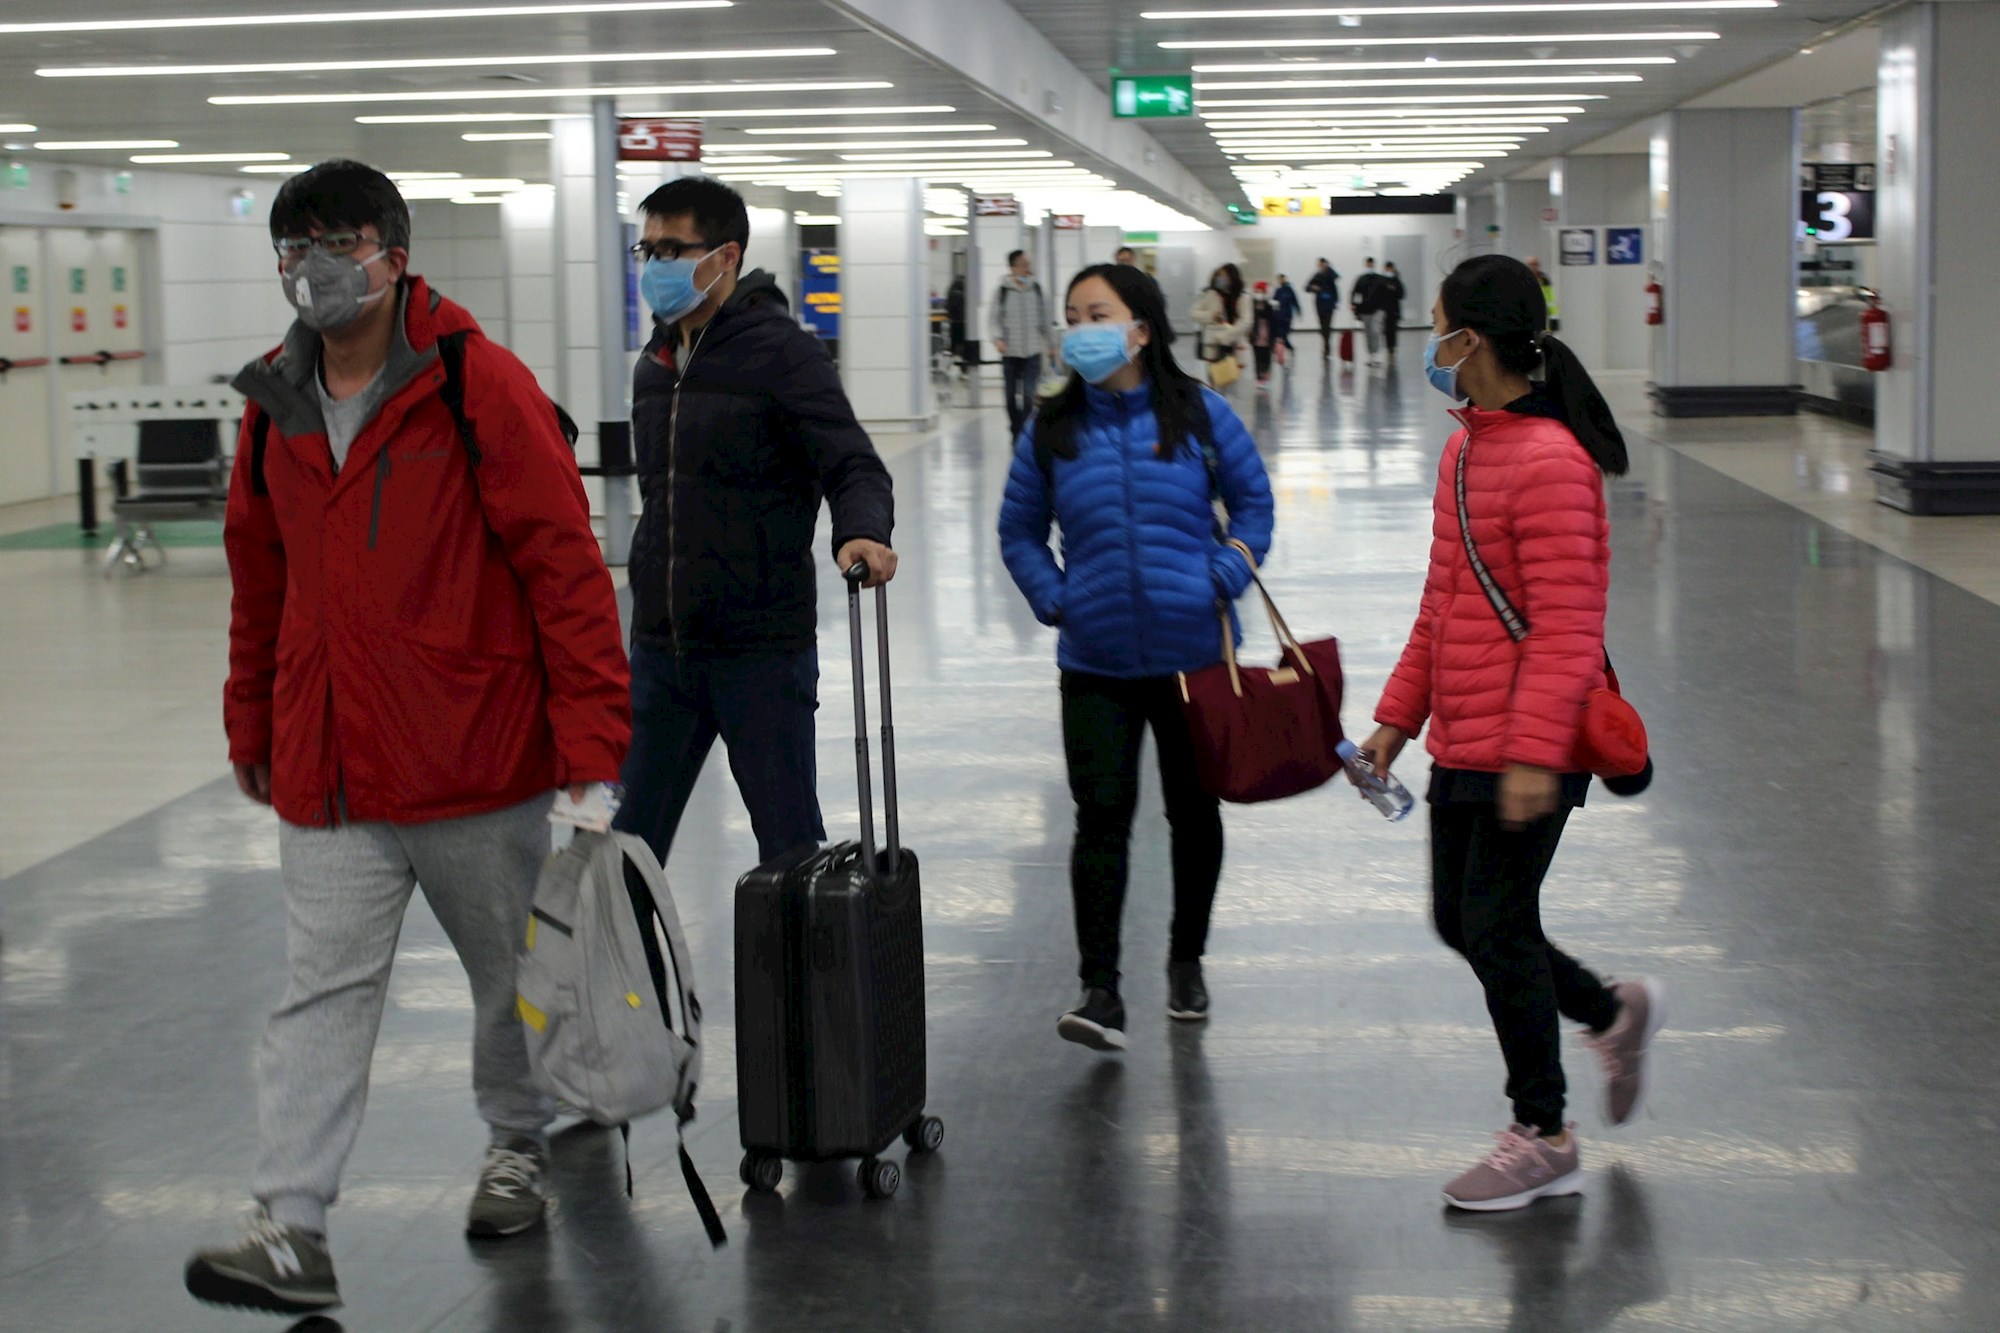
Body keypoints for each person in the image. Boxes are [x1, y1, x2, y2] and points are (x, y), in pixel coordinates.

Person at [186, 160, 632, 1315]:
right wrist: (252, 714)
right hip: (327, 760)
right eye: (293, 247)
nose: (312, 268)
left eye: (335, 242)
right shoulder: (273, 401)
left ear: (392, 251)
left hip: (470, 751)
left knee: (506, 980)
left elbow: (565, 569)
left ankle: (516, 1140)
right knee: (319, 989)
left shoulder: (474, 382)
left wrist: (590, 745)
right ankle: (291, 1223)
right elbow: (260, 576)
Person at [1357, 254, 1664, 1213]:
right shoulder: (1467, 449)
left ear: (1471, 340)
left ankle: (1543, 1133)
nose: (1431, 345)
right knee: (1464, 917)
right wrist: (1397, 720)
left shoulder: (1551, 462)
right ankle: (1613, 1011)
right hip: (1468, 729)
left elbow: (1570, 625)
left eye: (1439, 325)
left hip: (1536, 741)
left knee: (1492, 920)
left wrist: (1533, 753)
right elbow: (1443, 601)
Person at [998, 263, 1274, 1050]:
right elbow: (1018, 529)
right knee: (1100, 820)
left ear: (1141, 329)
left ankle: (1186, 958)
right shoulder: (1051, 428)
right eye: (1073, 313)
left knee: (1194, 814)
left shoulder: (1199, 414)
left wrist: (1222, 574)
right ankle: (1101, 988)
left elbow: (1255, 506)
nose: (1081, 327)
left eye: (1099, 313)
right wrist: (1055, 597)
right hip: (1096, 662)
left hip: (1196, 657)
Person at [616, 176, 897, 871]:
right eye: (646, 250)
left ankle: (808, 983)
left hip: (760, 649)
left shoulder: (782, 352)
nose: (656, 266)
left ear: (726, 256)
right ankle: (639, 983)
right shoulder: (653, 367)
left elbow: (854, 463)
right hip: (662, 646)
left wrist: (863, 530)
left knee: (792, 851)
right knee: (626, 851)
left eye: (673, 249)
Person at [992, 249, 1052, 437]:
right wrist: (998, 339)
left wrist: (1051, 345)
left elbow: (1045, 320)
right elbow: (993, 319)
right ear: (1013, 267)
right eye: (1024, 265)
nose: (1028, 269)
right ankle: (1015, 426)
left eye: (1028, 265)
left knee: (1028, 395)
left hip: (1032, 351)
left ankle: (1024, 432)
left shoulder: (1037, 290)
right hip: (1010, 352)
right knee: (1010, 397)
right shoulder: (1002, 291)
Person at [1189, 263, 1253, 389]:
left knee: (1235, 384)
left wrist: (1225, 335)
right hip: (1213, 346)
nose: (1220, 279)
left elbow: (1246, 321)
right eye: (1218, 276)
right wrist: (1211, 316)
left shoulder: (1243, 297)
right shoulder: (1209, 295)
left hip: (1235, 345)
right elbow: (1193, 313)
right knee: (1215, 382)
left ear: (1232, 277)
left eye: (1223, 276)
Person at [1350, 257, 1385, 366]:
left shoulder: (1379, 279)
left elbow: (1384, 294)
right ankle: (1371, 356)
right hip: (1365, 310)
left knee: (1375, 332)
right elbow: (1355, 294)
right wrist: (1355, 308)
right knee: (1368, 333)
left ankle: (1375, 355)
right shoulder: (1361, 279)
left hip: (1376, 310)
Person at [1304, 258, 1340, 355]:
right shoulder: (1317, 276)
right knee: (1322, 325)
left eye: (1323, 265)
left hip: (1329, 305)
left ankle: (1327, 345)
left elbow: (1336, 284)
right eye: (1320, 265)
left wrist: (1335, 302)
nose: (1321, 266)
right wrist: (1313, 288)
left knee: (1327, 325)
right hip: (1319, 305)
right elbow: (1306, 287)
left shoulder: (1331, 275)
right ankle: (1326, 342)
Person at [1378, 261, 1408, 364]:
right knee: (1386, 330)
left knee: (1393, 330)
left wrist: (1393, 289)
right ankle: (1388, 346)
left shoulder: (1396, 280)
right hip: (1384, 309)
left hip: (1394, 310)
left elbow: (1402, 294)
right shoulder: (1381, 280)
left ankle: (1392, 348)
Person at [1249, 281, 1277, 388]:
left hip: (1267, 336)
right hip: (1256, 336)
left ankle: (1266, 376)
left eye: (1261, 291)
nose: (1258, 293)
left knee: (1267, 357)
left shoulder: (1269, 306)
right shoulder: (1252, 305)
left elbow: (1273, 321)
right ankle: (1258, 377)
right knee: (1257, 357)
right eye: (1257, 291)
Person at [1525, 256, 1560, 332]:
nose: (1533, 267)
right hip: (1528, 317)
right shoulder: (1523, 280)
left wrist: (1554, 319)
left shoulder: (1544, 281)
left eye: (1535, 264)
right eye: (1531, 264)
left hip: (1543, 316)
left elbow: (1551, 301)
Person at [945, 272, 969, 372]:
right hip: (964, 323)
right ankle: (964, 368)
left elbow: (947, 307)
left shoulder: (951, 290)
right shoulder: (965, 291)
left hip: (954, 322)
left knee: (955, 345)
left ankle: (955, 365)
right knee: (964, 346)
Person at [1270, 273, 1299, 353]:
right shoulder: (1278, 290)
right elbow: (1274, 300)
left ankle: (1287, 346)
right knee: (1280, 332)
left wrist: (1298, 311)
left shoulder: (1289, 290)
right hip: (1279, 314)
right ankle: (1284, 347)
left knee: (1285, 331)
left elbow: (1295, 301)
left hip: (1287, 314)